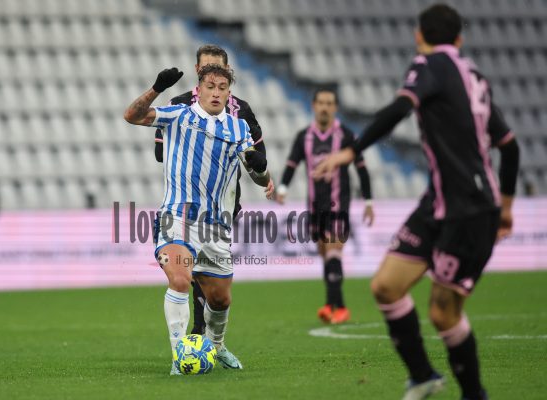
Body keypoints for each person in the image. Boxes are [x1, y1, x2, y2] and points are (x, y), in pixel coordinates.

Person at [312, 4, 519, 400]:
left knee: (443, 312)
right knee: (386, 286)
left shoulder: (429, 65)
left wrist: (350, 150)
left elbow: (400, 108)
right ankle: (423, 376)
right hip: (440, 202)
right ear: (459, 38)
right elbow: (509, 147)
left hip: (470, 208)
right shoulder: (474, 77)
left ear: (418, 35)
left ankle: (474, 394)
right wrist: (507, 205)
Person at [124, 64, 273, 374]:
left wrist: (260, 168)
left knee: (220, 300)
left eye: (222, 87)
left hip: (215, 227)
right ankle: (179, 357)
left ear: (229, 93)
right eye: (210, 86)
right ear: (199, 89)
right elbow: (132, 116)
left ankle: (216, 345)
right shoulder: (179, 115)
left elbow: (260, 178)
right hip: (176, 217)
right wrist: (156, 88)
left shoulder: (239, 129)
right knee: (180, 280)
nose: (216, 92)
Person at [154, 44, 268, 335]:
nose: (214, 80)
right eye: (206, 69)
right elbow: (159, 151)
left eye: (219, 72)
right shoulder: (180, 105)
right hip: (184, 206)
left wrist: (260, 168)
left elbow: (257, 159)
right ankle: (195, 336)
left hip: (223, 205)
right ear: (198, 72)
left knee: (214, 285)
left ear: (227, 73)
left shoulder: (241, 112)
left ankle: (210, 339)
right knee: (186, 272)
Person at [276, 88, 374, 324]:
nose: (324, 107)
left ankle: (334, 307)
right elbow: (292, 164)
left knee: (333, 249)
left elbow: (361, 169)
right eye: (321, 102)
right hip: (315, 207)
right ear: (314, 106)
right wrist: (283, 188)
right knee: (325, 253)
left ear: (335, 108)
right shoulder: (304, 137)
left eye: (329, 103)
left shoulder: (346, 136)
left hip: (339, 205)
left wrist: (369, 201)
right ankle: (337, 305)